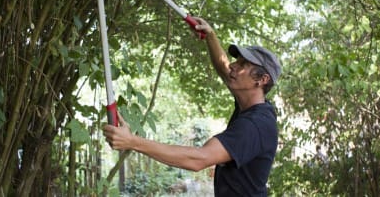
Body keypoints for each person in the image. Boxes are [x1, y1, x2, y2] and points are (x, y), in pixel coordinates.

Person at [103, 17, 282, 196]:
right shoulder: (251, 102)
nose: (234, 66)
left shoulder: (255, 125)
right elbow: (224, 67)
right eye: (237, 61)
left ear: (262, 80)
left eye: (243, 64)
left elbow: (199, 159)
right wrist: (210, 36)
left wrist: (132, 141)